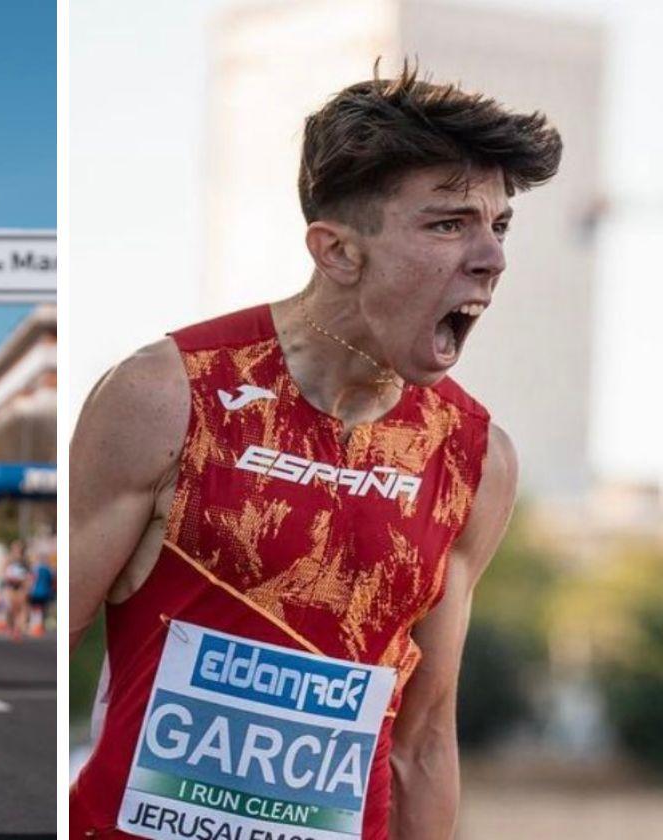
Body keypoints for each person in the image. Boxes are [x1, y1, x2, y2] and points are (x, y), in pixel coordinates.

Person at [69, 64, 561, 840]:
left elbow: (424, 744)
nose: (491, 257)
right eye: (448, 224)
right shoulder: (167, 393)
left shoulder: (475, 457)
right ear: (337, 251)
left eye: (499, 226)